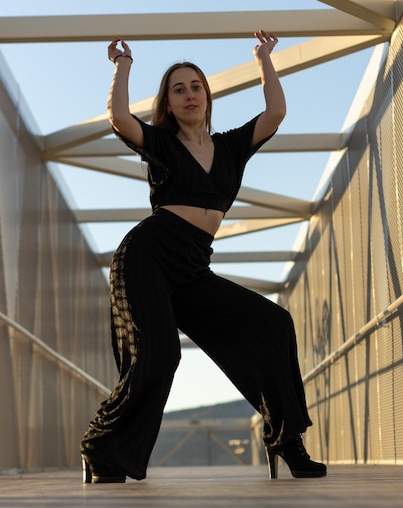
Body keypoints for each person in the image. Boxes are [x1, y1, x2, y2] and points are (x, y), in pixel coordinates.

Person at [80, 30, 326, 483]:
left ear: (207, 97)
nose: (189, 94)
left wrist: (263, 59)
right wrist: (123, 64)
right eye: (179, 89)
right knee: (159, 356)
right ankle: (102, 448)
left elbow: (275, 113)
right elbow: (118, 118)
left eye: (196, 86)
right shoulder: (161, 144)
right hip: (147, 257)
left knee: (273, 323)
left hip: (193, 267)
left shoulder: (231, 147)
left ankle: (288, 441)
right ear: (169, 103)